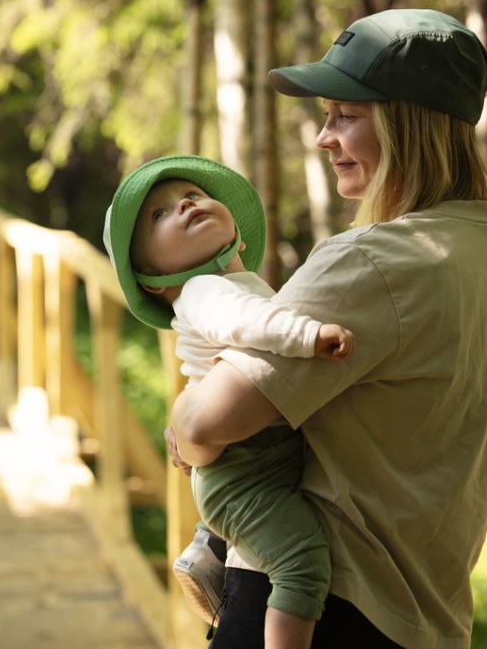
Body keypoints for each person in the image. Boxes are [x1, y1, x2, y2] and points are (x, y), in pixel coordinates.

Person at [167, 8, 487, 648]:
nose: (323, 137)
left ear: (406, 124)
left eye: (346, 116)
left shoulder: (374, 259)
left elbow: (204, 425)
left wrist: (180, 424)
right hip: (423, 617)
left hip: (318, 606)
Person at [103, 154, 355, 647]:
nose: (185, 205)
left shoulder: (239, 288)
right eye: (159, 215)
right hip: (242, 469)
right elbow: (250, 326)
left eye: (192, 196)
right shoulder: (203, 291)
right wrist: (311, 334)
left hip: (250, 456)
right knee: (301, 564)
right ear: (153, 281)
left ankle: (210, 548)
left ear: (237, 235)